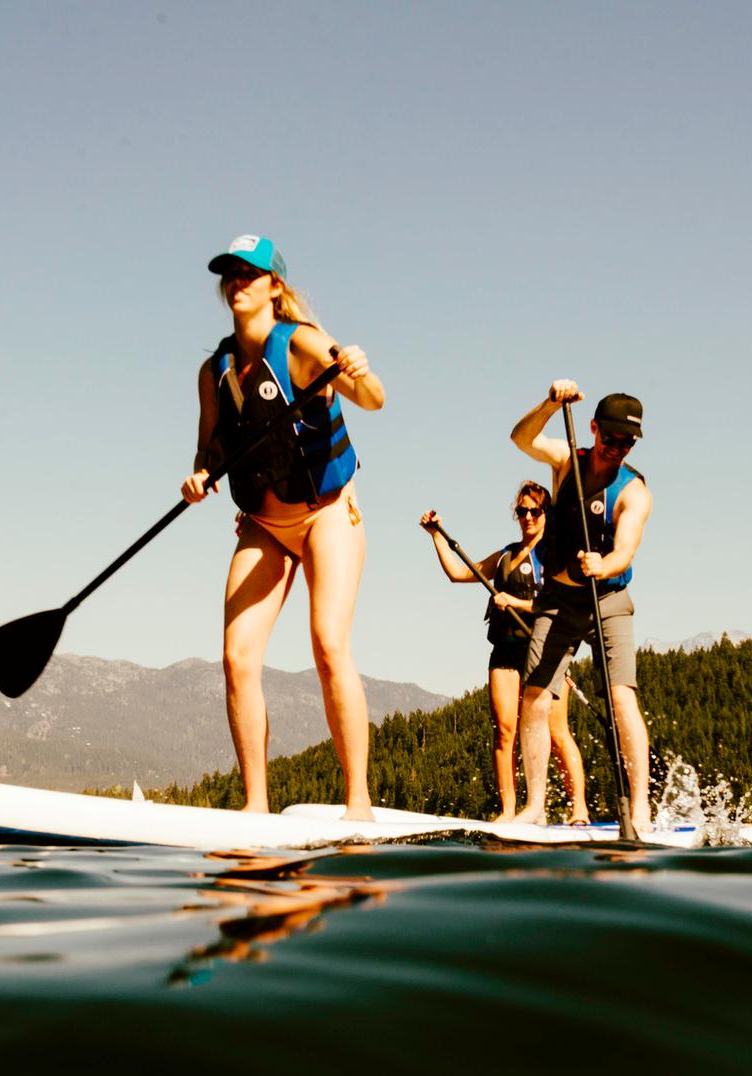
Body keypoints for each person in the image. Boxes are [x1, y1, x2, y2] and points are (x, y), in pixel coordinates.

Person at [180, 235, 385, 819]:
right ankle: (256, 806)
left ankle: (359, 803)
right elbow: (210, 450)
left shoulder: (302, 345)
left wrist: (360, 372)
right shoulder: (213, 370)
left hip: (326, 514)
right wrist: (199, 478)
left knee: (327, 645)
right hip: (264, 525)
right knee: (237, 659)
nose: (237, 282)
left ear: (275, 285)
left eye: (250, 273)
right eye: (229, 274)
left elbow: (372, 400)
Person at [508, 381, 653, 830]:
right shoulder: (567, 460)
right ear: (593, 429)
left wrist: (603, 564)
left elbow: (625, 552)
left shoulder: (634, 491)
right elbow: (521, 439)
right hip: (558, 598)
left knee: (621, 697)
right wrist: (551, 404)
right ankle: (534, 807)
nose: (617, 449)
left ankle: (641, 805)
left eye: (626, 442)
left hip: (607, 599)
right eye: (610, 439)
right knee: (534, 695)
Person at [419, 485, 589, 823]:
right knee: (504, 731)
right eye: (522, 511)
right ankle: (510, 810)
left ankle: (579, 809)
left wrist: (516, 603)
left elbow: (561, 606)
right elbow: (458, 573)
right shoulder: (505, 556)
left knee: (556, 733)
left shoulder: (556, 557)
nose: (527, 517)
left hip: (545, 650)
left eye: (534, 511)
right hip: (507, 650)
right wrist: (435, 535)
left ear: (546, 515)